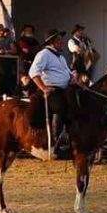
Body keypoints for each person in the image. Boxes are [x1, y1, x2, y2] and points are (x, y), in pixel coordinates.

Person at [29, 29, 75, 158]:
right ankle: (56, 142)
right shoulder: (43, 54)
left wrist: (72, 77)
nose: (62, 42)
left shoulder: (60, 57)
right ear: (52, 42)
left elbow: (68, 72)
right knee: (60, 107)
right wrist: (43, 88)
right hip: (52, 90)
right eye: (59, 40)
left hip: (65, 89)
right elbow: (33, 72)